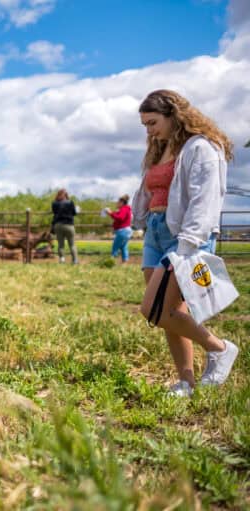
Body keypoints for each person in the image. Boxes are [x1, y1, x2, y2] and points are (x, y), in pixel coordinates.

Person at [132, 89, 237, 398]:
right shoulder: (158, 149)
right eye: (145, 125)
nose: (149, 131)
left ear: (173, 115)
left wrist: (189, 241)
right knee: (169, 313)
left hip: (184, 235)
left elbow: (206, 197)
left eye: (153, 123)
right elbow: (149, 191)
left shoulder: (201, 147)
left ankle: (219, 349)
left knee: (152, 309)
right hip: (155, 232)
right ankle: (186, 382)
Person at [51, 188, 79, 264]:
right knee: (72, 244)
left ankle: (62, 260)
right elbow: (74, 213)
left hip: (58, 225)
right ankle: (75, 260)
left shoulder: (54, 203)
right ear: (66, 194)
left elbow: (54, 212)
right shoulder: (70, 202)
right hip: (69, 225)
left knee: (60, 245)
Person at [104, 194, 133, 263]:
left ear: (122, 203)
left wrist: (110, 213)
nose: (117, 203)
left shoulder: (124, 209)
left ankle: (111, 262)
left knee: (115, 247)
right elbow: (119, 216)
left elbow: (120, 218)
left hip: (123, 231)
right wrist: (113, 213)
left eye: (118, 202)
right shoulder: (125, 209)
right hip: (126, 231)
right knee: (123, 247)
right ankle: (125, 262)